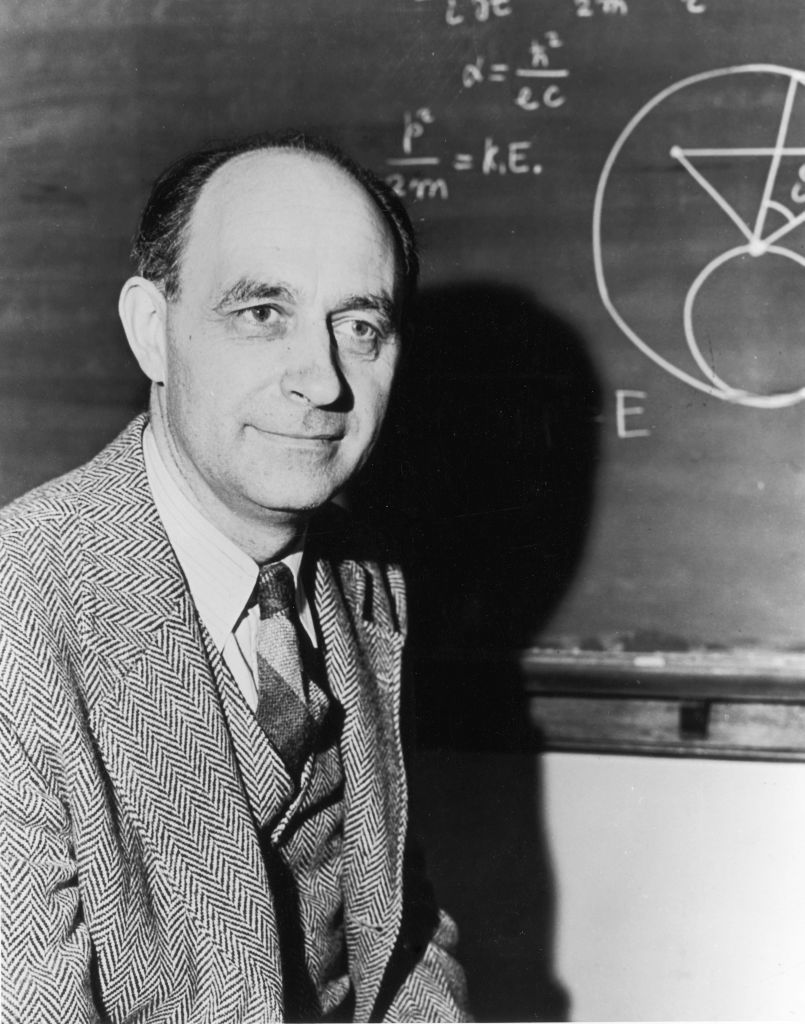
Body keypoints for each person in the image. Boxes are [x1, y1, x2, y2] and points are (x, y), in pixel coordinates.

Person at [0, 131, 471, 1023]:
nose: (321, 381)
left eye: (359, 327)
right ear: (153, 331)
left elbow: (399, 933)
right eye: (262, 313)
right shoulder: (19, 605)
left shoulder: (368, 581)